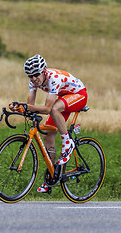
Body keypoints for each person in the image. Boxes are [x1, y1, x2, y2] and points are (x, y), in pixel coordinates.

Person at [9, 54, 87, 193]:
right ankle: (51, 177)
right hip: (63, 98)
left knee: (54, 108)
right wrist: (19, 107)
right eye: (30, 76)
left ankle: (68, 143)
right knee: (48, 136)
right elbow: (30, 105)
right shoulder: (34, 81)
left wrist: (27, 107)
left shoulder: (53, 78)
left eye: (36, 74)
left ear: (43, 71)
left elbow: (47, 109)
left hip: (79, 95)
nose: (33, 79)